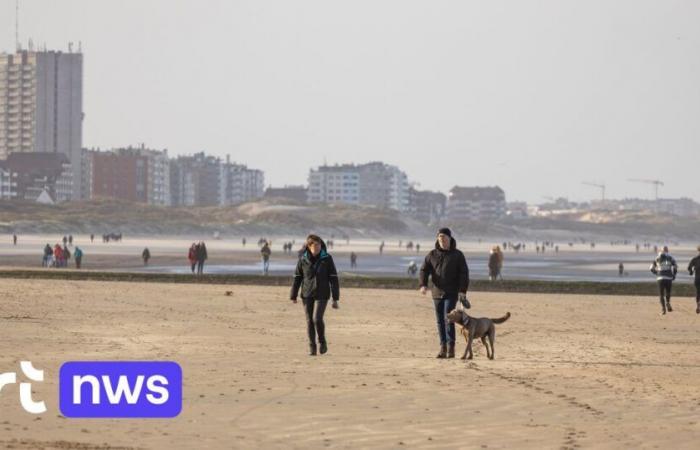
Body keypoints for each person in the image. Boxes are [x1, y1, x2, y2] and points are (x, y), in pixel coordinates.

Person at [419, 227, 470, 359]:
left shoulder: (458, 255)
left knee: (448, 318)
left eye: (444, 237)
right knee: (439, 321)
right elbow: (424, 270)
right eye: (440, 237)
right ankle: (443, 348)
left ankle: (451, 347)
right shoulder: (432, 254)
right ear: (437, 239)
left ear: (450, 238)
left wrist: (462, 291)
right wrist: (423, 285)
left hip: (452, 292)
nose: (442, 240)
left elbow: (464, 274)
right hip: (436, 292)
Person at [290, 234, 340, 356]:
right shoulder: (303, 259)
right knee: (309, 321)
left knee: (317, 319)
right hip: (307, 294)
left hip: (322, 293)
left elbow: (333, 278)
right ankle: (312, 348)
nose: (318, 247)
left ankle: (322, 342)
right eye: (315, 245)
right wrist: (293, 294)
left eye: (319, 245)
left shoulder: (327, 258)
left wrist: (335, 298)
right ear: (309, 246)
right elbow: (297, 277)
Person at [650, 246, 678, 315]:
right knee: (668, 292)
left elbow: (651, 268)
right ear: (667, 250)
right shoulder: (671, 258)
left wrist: (657, 273)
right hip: (668, 277)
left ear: (661, 251)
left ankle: (663, 309)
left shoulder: (657, 258)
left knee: (661, 294)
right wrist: (674, 274)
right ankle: (667, 302)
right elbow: (675, 266)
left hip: (660, 278)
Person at [688, 246, 700, 314]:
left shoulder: (694, 259)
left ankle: (698, 304)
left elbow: (689, 267)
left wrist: (691, 272)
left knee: (698, 292)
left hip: (697, 279)